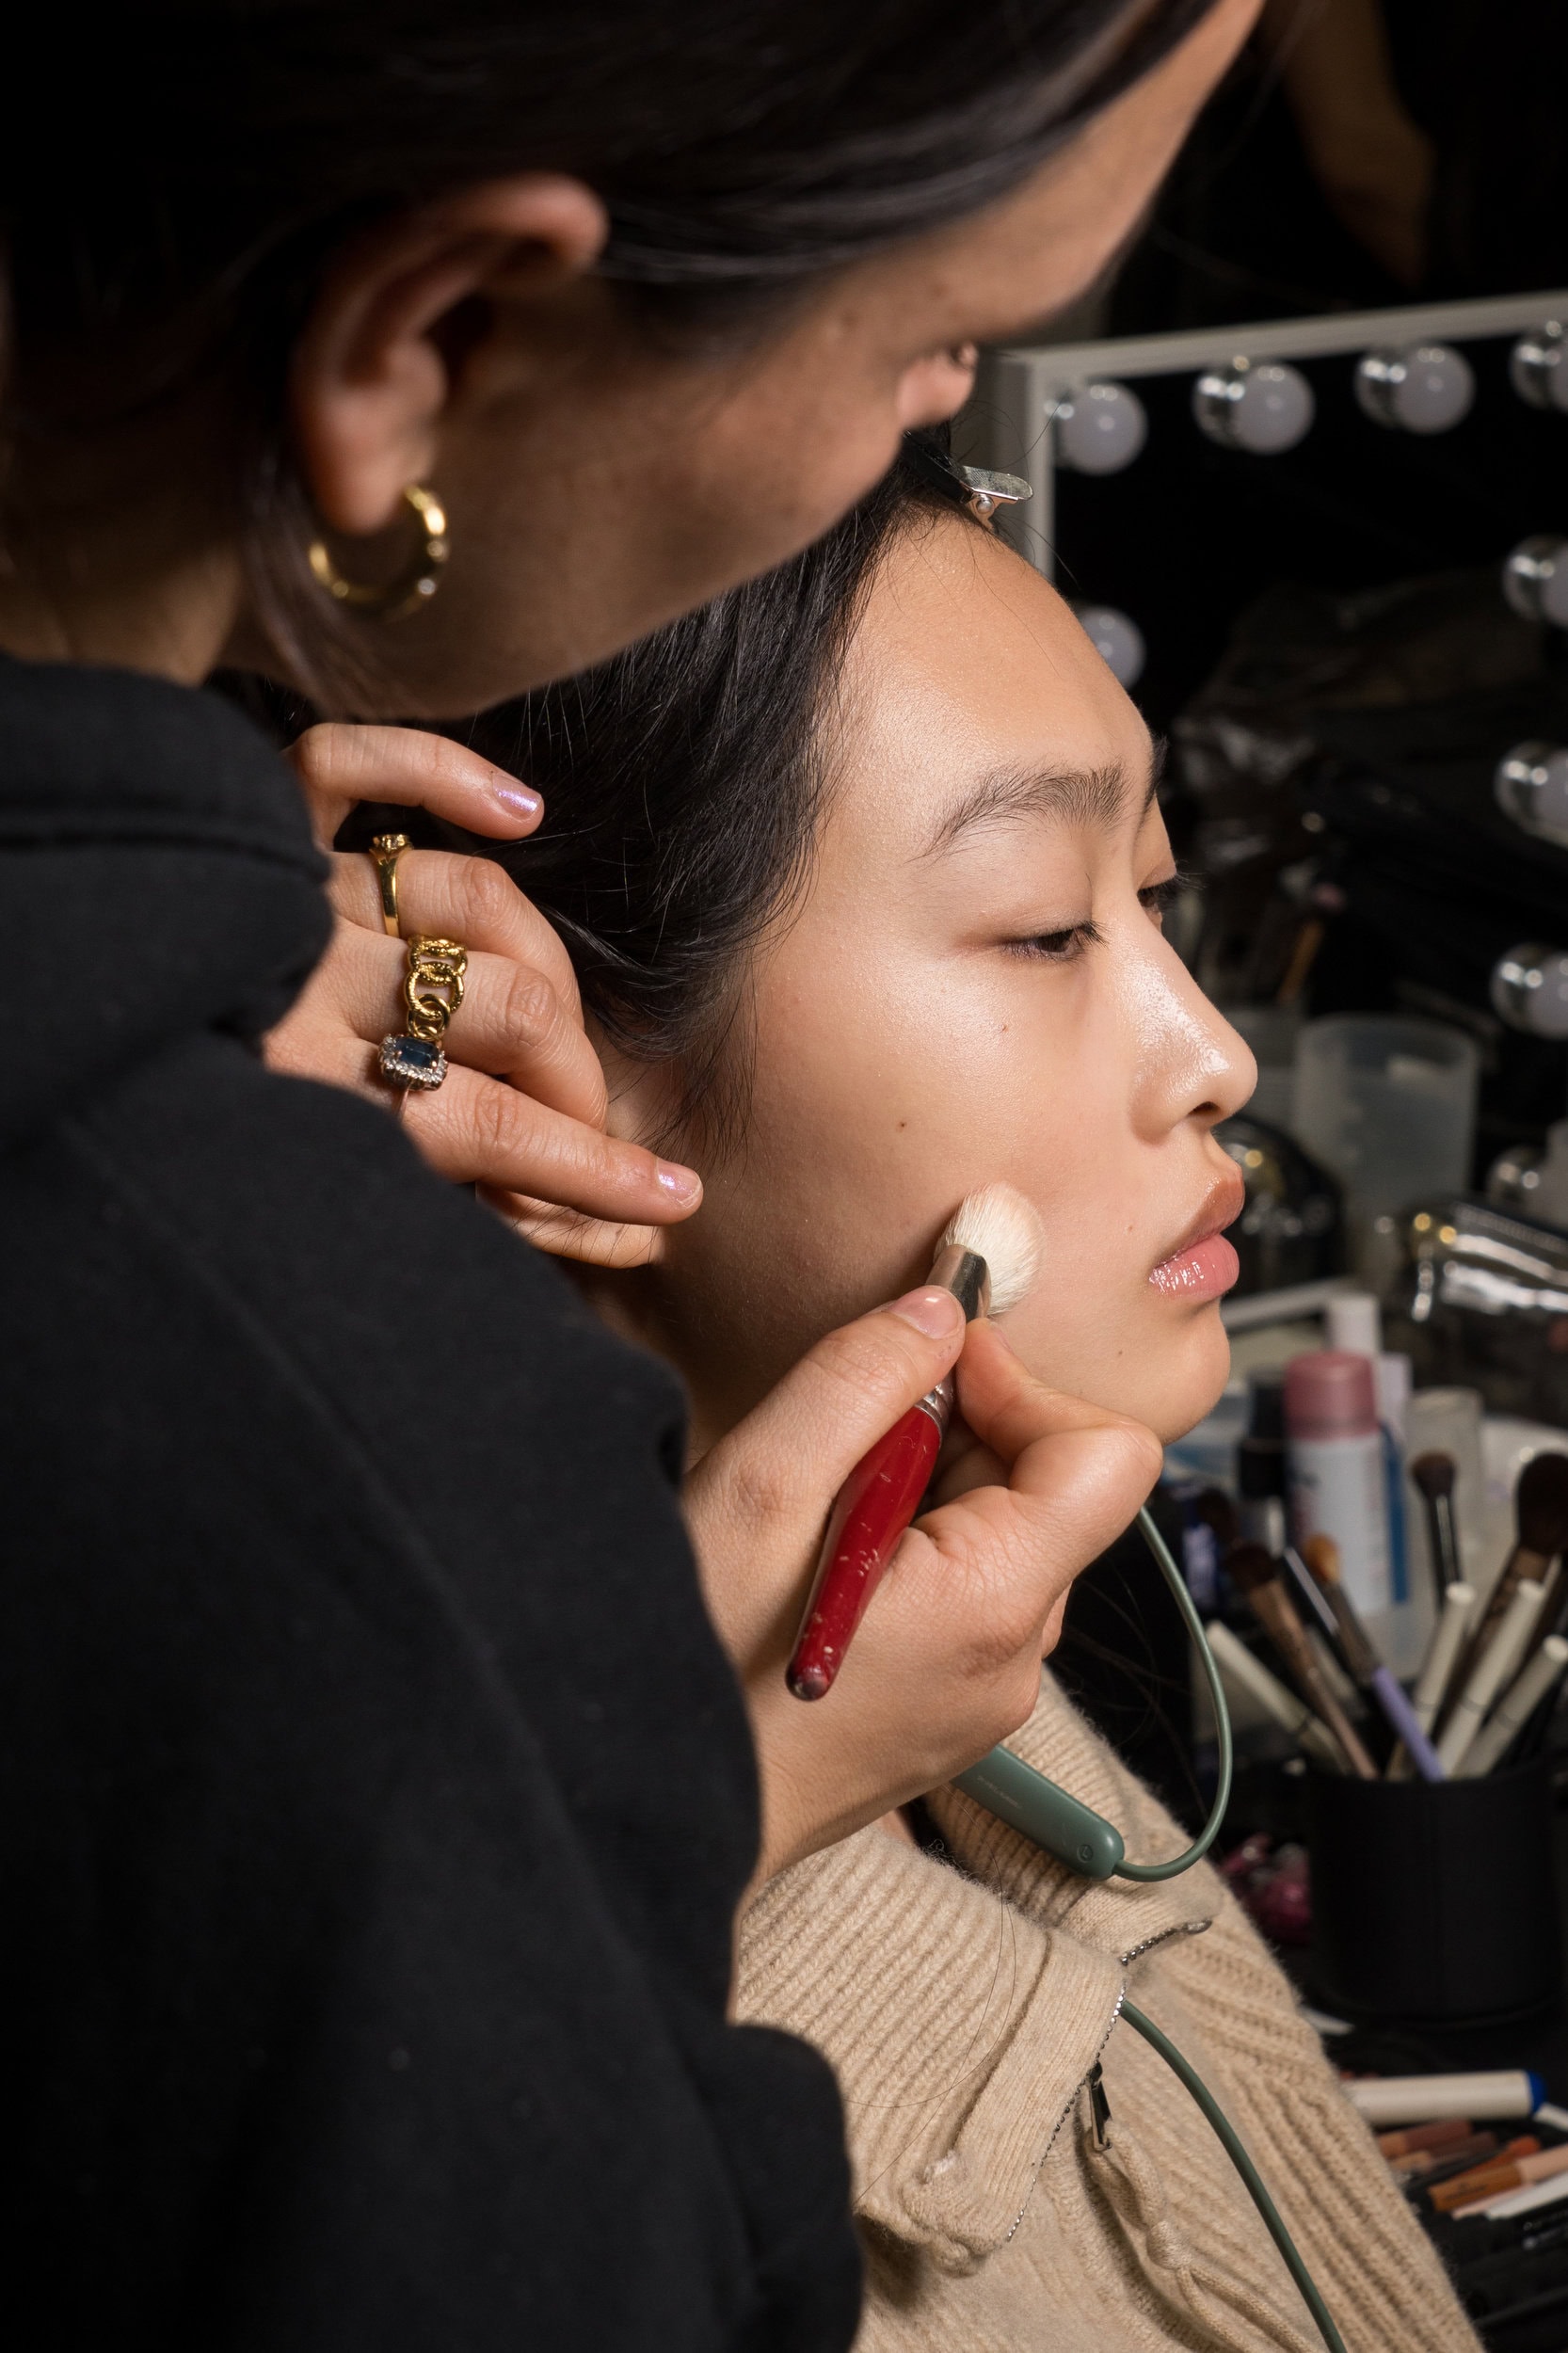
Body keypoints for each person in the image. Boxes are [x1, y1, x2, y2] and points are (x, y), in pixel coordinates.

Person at [0, 2, 1262, 2345]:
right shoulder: (341, 1499)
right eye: (930, 341)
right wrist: (685, 1808)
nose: (1216, 1055)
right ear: (443, 334)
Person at [385, 442, 1472, 2351]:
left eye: (1152, 893)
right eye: (1047, 923)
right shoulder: (460, 2098)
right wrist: (727, 1825)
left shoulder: (979, 1711)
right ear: (536, 1050)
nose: (1209, 1054)